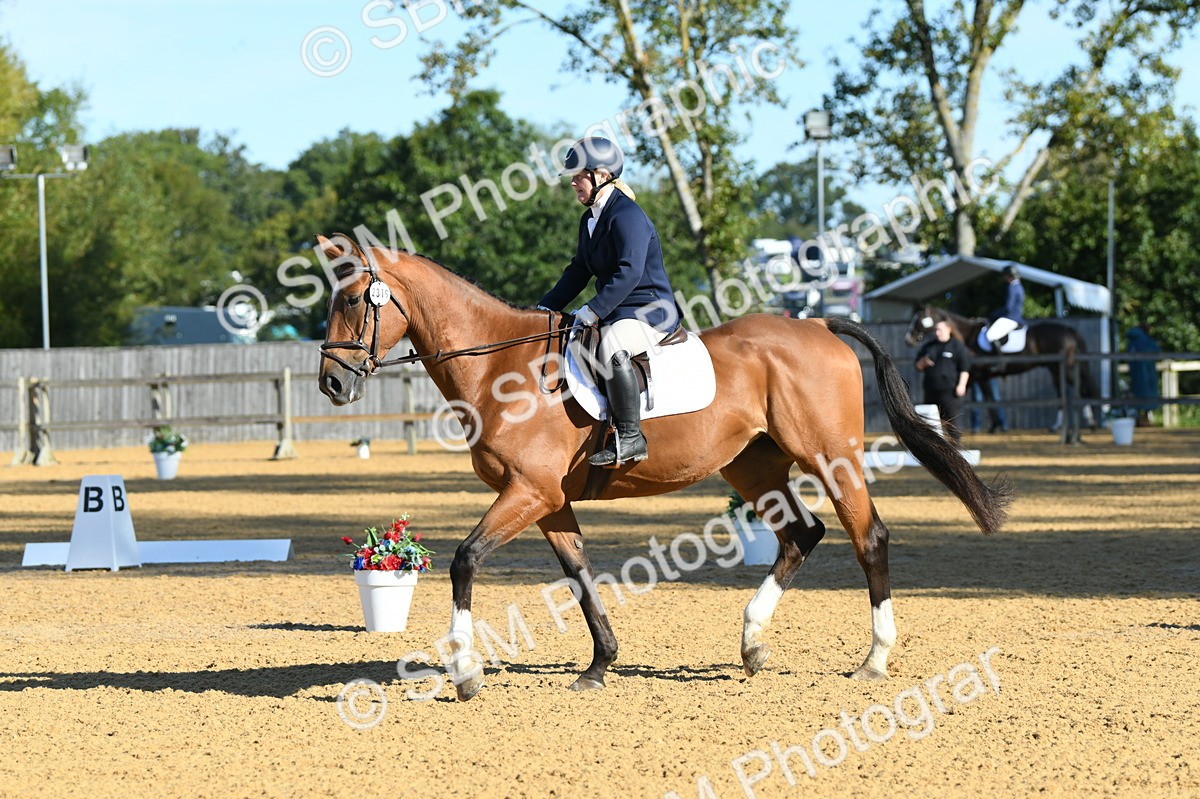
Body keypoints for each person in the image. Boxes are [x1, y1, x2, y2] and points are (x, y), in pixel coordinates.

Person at [536, 137, 679, 467]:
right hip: (618, 309)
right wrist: (542, 308)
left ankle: (631, 437)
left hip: (650, 309)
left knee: (612, 346)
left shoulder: (627, 215)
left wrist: (593, 309)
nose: (572, 181)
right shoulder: (589, 220)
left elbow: (630, 272)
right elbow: (578, 272)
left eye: (578, 175)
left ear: (600, 174)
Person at [915, 320, 972, 442]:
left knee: (951, 421)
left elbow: (964, 368)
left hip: (949, 391)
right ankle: (932, 448)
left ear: (949, 330)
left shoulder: (956, 346)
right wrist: (923, 362)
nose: (937, 332)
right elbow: (917, 366)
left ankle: (955, 449)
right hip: (931, 390)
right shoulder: (929, 346)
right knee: (929, 422)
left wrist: (961, 385)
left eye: (940, 330)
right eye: (935, 330)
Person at [986, 264, 1026, 345]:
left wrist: (993, 314)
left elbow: (1008, 307)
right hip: (1018, 317)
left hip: (1010, 318)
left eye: (1005, 276)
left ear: (1008, 276)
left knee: (989, 336)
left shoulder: (1011, 287)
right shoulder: (1020, 286)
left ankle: (999, 357)